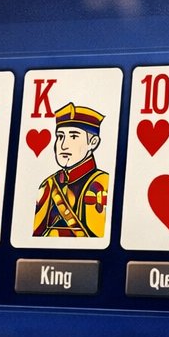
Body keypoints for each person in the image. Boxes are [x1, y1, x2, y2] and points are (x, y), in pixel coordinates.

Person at [32, 102, 109, 238]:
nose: (63, 145)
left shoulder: (101, 182)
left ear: (93, 142)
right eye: (60, 136)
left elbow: (96, 238)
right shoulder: (48, 184)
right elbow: (35, 237)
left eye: (73, 136)